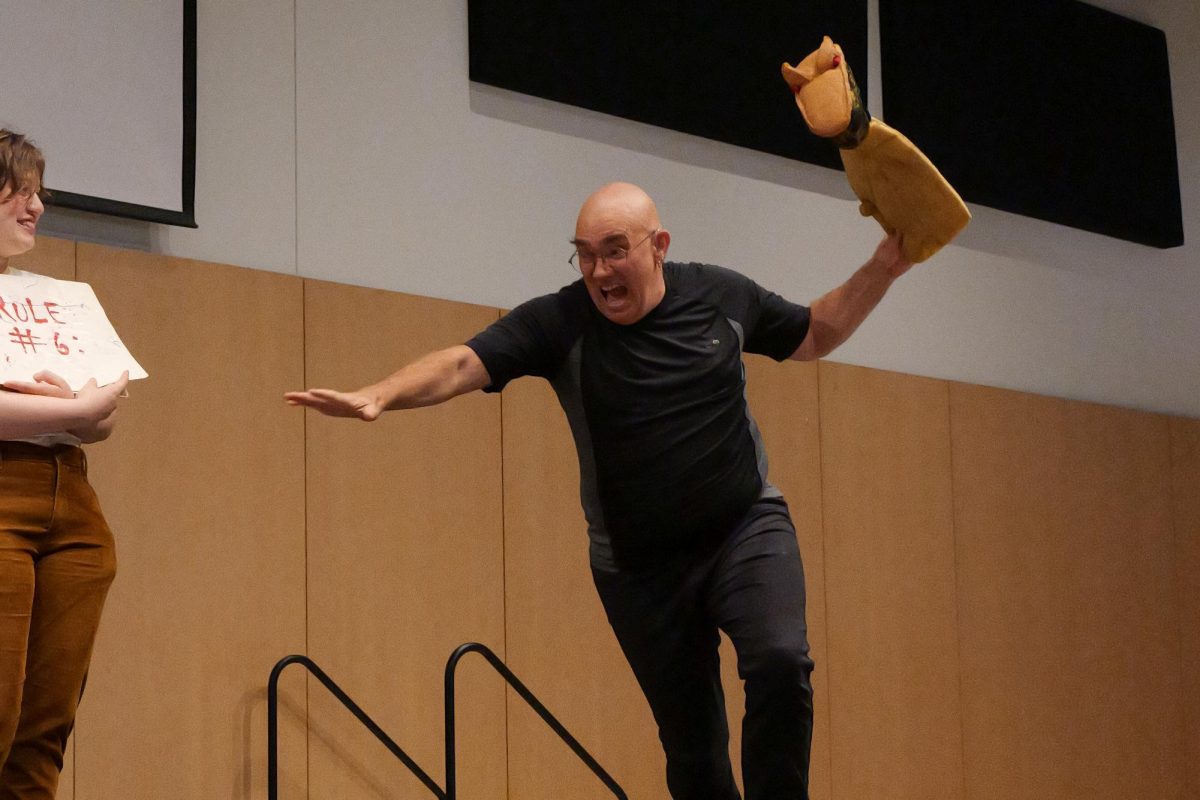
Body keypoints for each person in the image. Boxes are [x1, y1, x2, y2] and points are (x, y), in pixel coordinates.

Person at [286, 181, 914, 799]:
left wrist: (883, 268)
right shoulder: (561, 322)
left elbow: (813, 334)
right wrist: (380, 394)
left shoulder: (722, 295)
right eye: (584, 253)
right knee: (694, 748)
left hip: (744, 529)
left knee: (780, 661)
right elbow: (461, 362)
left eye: (615, 250)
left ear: (659, 245)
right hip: (639, 572)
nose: (599, 270)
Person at [0, 129, 129, 799]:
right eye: (19, 189)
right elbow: (82, 406)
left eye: (39, 191)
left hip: (72, 500)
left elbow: (104, 411)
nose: (36, 205)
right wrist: (67, 407)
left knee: (44, 725)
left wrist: (65, 409)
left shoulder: (55, 298)